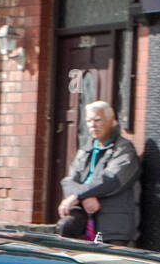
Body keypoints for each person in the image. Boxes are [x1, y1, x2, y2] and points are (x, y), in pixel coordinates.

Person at [55, 100, 141, 247]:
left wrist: (78, 196)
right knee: (65, 228)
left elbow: (111, 179)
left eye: (97, 120)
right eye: (88, 121)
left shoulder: (124, 149)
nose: (92, 125)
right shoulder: (86, 150)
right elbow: (69, 181)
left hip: (113, 225)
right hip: (82, 218)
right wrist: (84, 198)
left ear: (111, 121)